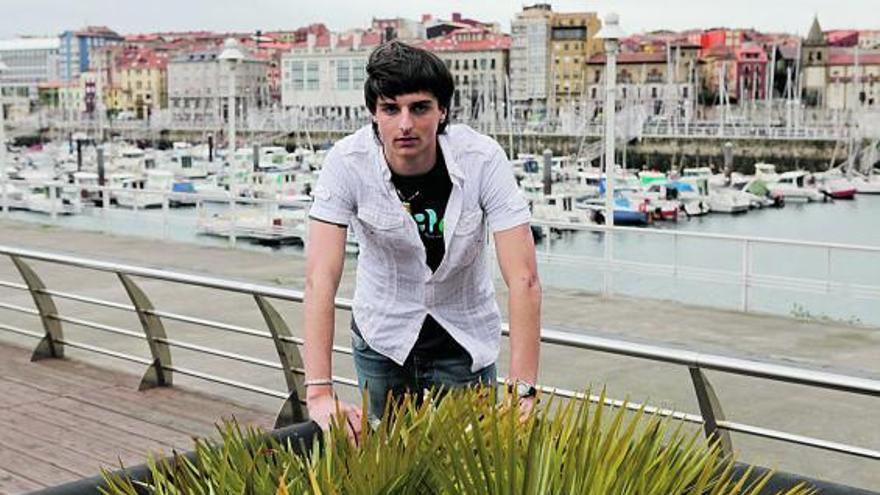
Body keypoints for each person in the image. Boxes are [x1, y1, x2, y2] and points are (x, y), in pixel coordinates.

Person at [303, 41, 541, 440]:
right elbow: (319, 279)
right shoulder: (346, 163)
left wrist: (523, 392)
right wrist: (319, 393)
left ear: (442, 111)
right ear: (373, 114)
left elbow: (524, 280)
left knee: (473, 464)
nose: (405, 124)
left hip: (463, 338)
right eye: (390, 109)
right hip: (383, 335)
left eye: (420, 107)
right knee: (381, 458)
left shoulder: (482, 159)